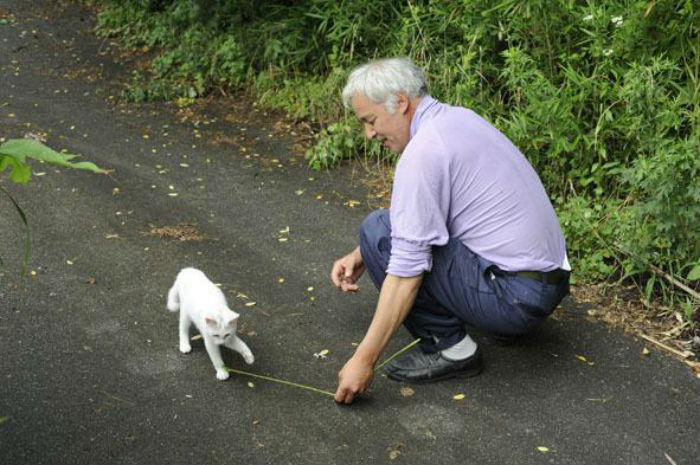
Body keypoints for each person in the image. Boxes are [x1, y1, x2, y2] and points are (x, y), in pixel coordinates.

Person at [330, 57, 570, 405]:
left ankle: (453, 350)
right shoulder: (458, 119)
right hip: (549, 282)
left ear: (400, 102)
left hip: (515, 299)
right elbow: (421, 217)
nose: (369, 134)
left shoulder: (424, 151)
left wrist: (363, 360)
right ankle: (500, 321)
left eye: (370, 121)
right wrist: (360, 255)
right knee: (385, 231)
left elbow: (405, 273)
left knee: (377, 230)